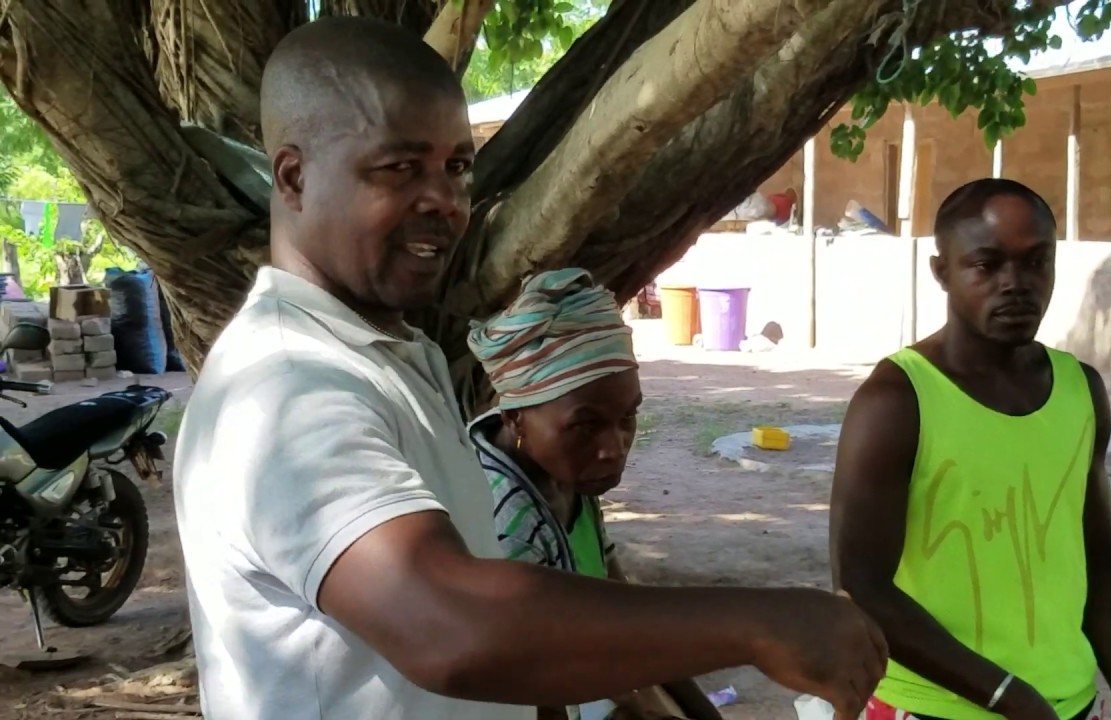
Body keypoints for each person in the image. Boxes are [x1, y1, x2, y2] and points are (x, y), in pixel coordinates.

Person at [172, 16, 887, 720]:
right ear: (293, 178)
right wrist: (758, 623)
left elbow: (500, 624)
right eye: (399, 169)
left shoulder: (394, 359)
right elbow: (449, 626)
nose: (445, 202)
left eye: (456, 167)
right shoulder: (288, 386)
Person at [828, 179, 1111, 720]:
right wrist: (1008, 695)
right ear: (942, 273)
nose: (1016, 285)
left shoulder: (1082, 391)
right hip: (936, 708)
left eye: (1036, 263)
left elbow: (1099, 560)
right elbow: (860, 584)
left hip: (1068, 703)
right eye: (987, 266)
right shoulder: (897, 401)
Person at [467, 267, 724, 720]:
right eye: (585, 425)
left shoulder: (568, 473)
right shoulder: (504, 523)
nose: (613, 449)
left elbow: (620, 603)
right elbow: (539, 688)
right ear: (515, 419)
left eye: (627, 417)